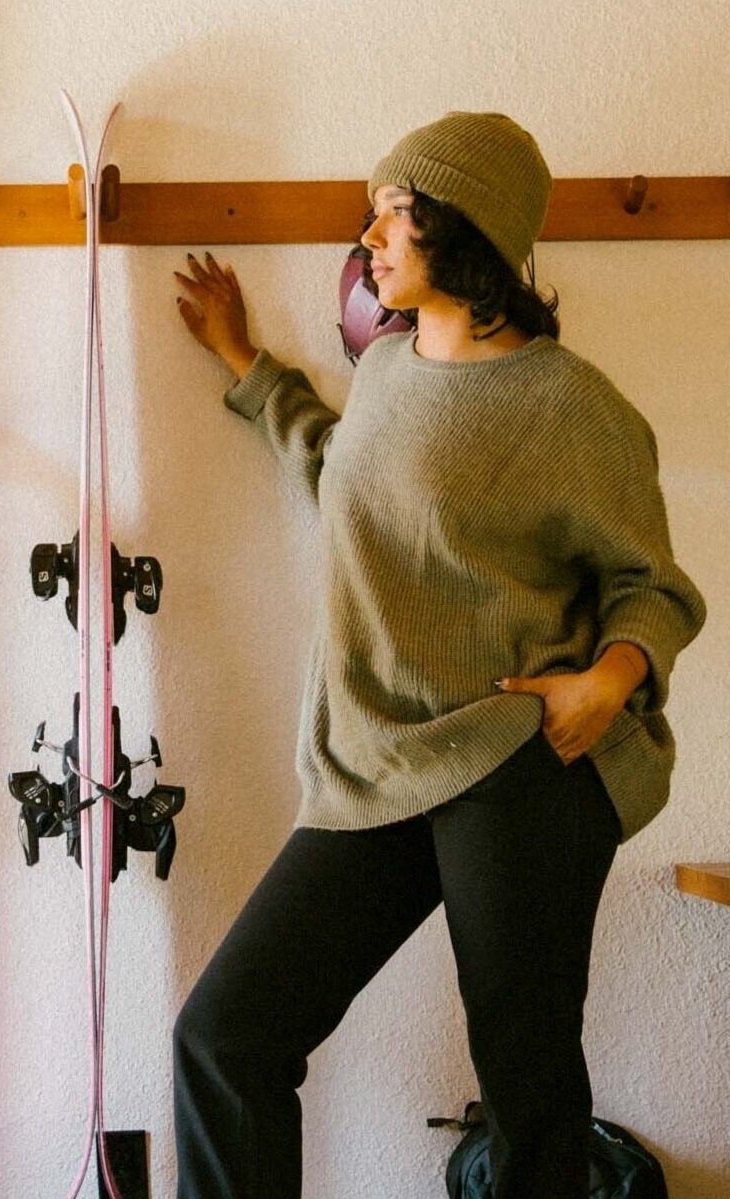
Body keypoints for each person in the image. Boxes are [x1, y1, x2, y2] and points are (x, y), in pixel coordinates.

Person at [170, 112, 706, 1199]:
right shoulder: (385, 370)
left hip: (515, 759)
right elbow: (334, 469)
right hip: (379, 760)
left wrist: (607, 679)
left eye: (393, 213)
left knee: (526, 1085)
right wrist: (243, 361)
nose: (367, 234)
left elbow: (649, 583)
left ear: (462, 233)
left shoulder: (568, 404)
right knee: (224, 1037)